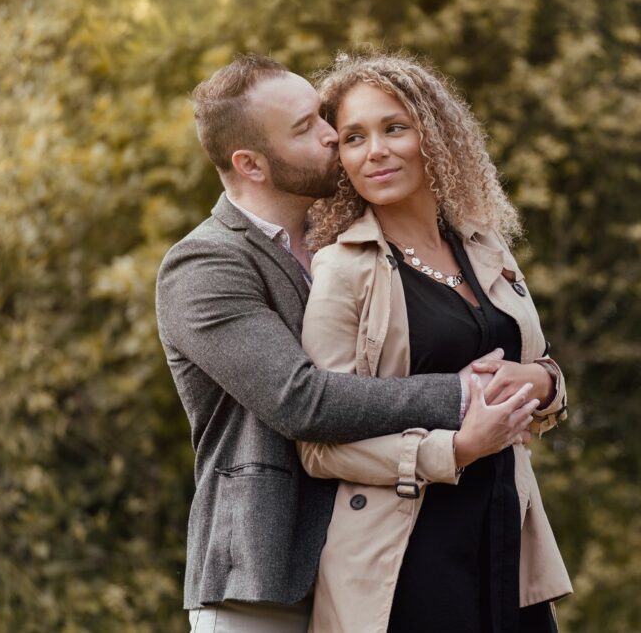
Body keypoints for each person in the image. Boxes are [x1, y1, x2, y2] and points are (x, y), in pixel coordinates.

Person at [155, 53, 540, 633]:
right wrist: (461, 396)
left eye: (322, 116)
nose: (332, 135)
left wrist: (542, 379)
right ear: (251, 164)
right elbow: (301, 401)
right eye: (307, 128)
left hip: (376, 551)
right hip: (269, 577)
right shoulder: (205, 265)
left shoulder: (349, 238)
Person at [296, 52, 572, 633]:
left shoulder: (485, 245)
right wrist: (456, 450)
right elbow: (320, 444)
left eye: (394, 128)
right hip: (403, 559)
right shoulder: (341, 270)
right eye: (353, 137)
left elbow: (537, 367)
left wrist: (543, 383)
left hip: (506, 535)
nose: (375, 151)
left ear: (434, 135)